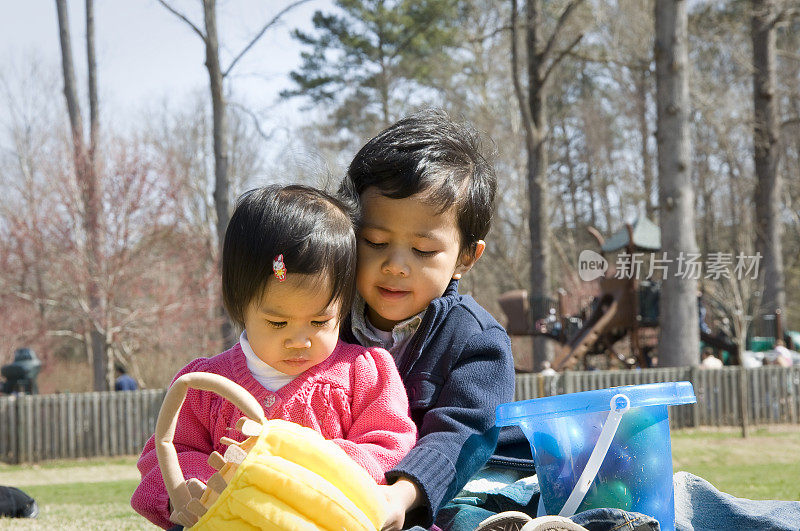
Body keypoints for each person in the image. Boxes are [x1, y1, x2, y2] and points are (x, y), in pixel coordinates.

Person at [131, 185, 417, 529]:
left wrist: (317, 466)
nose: (299, 340)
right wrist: (193, 488)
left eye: (320, 321)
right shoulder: (207, 385)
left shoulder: (362, 373)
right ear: (240, 304)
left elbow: (390, 444)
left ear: (344, 305)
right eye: (277, 322)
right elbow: (168, 455)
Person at [337, 109, 517, 530]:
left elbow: (459, 435)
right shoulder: (323, 321)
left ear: (466, 258)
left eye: (423, 250)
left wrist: (400, 496)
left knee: (469, 517)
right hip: (354, 484)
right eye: (376, 242)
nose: (396, 266)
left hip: (454, 484)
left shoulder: (477, 340)